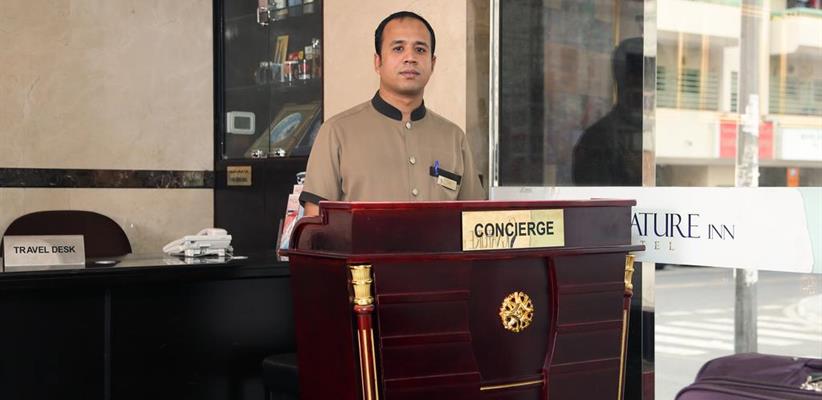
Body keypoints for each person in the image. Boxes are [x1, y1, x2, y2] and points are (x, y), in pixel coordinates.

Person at [299, 11, 485, 216]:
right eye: (398, 48)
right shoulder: (336, 132)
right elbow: (315, 222)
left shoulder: (453, 137)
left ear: (432, 64)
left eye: (420, 50)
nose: (410, 58)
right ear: (378, 62)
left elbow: (476, 219)